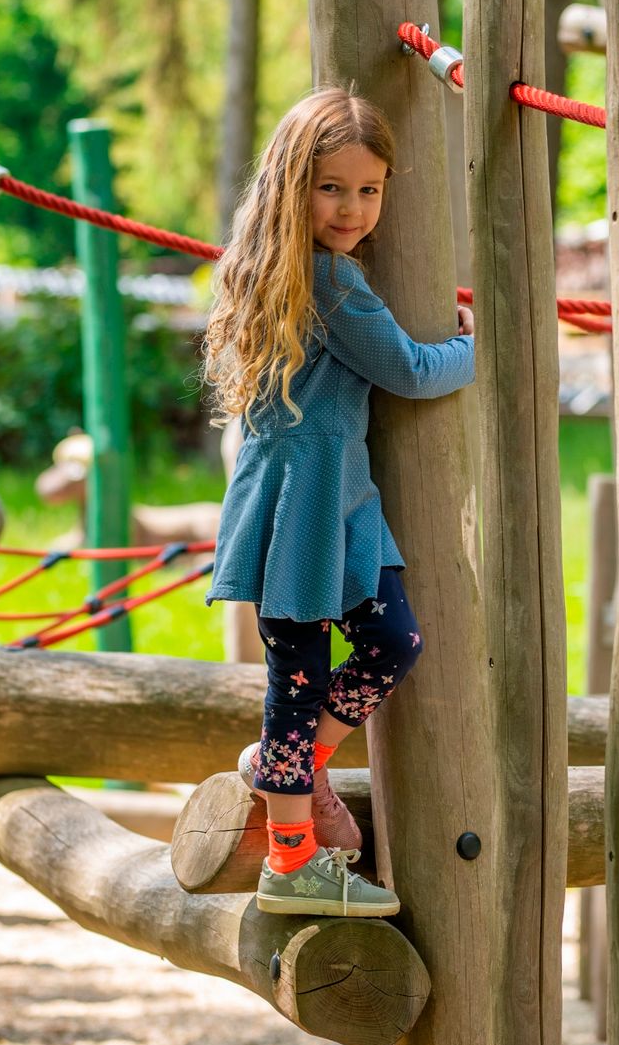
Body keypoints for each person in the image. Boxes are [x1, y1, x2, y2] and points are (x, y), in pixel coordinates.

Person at [202, 86, 473, 918]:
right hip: (306, 496)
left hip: (330, 491)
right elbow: (413, 372)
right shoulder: (329, 282)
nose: (353, 207)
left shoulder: (295, 270)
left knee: (391, 640)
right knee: (298, 676)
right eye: (332, 188)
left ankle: (292, 770)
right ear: (293, 186)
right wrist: (482, 343)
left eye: (370, 189)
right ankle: (290, 862)